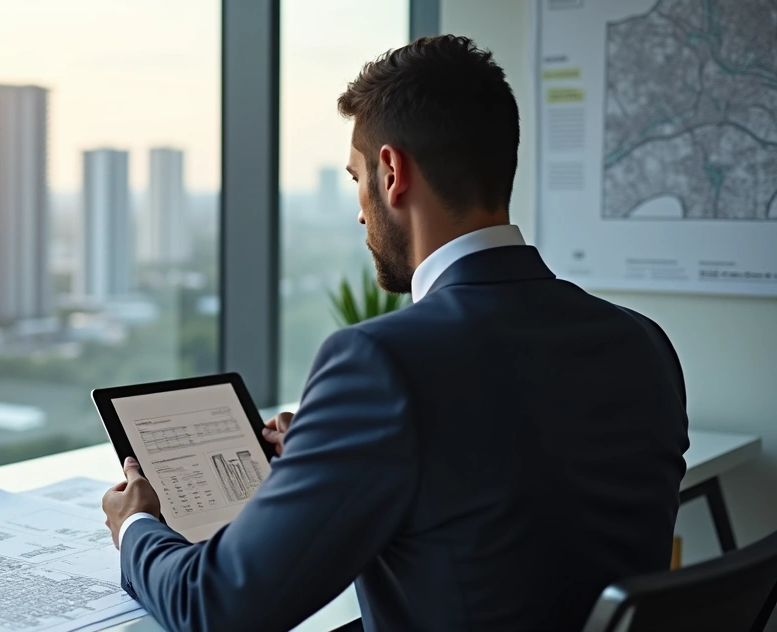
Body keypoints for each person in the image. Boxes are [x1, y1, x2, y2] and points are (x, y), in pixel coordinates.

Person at [101, 35, 689, 632]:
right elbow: (515, 485)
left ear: (391, 172)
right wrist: (333, 446)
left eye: (356, 177)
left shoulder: (381, 363)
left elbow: (217, 606)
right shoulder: (644, 344)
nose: (359, 209)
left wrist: (136, 528)